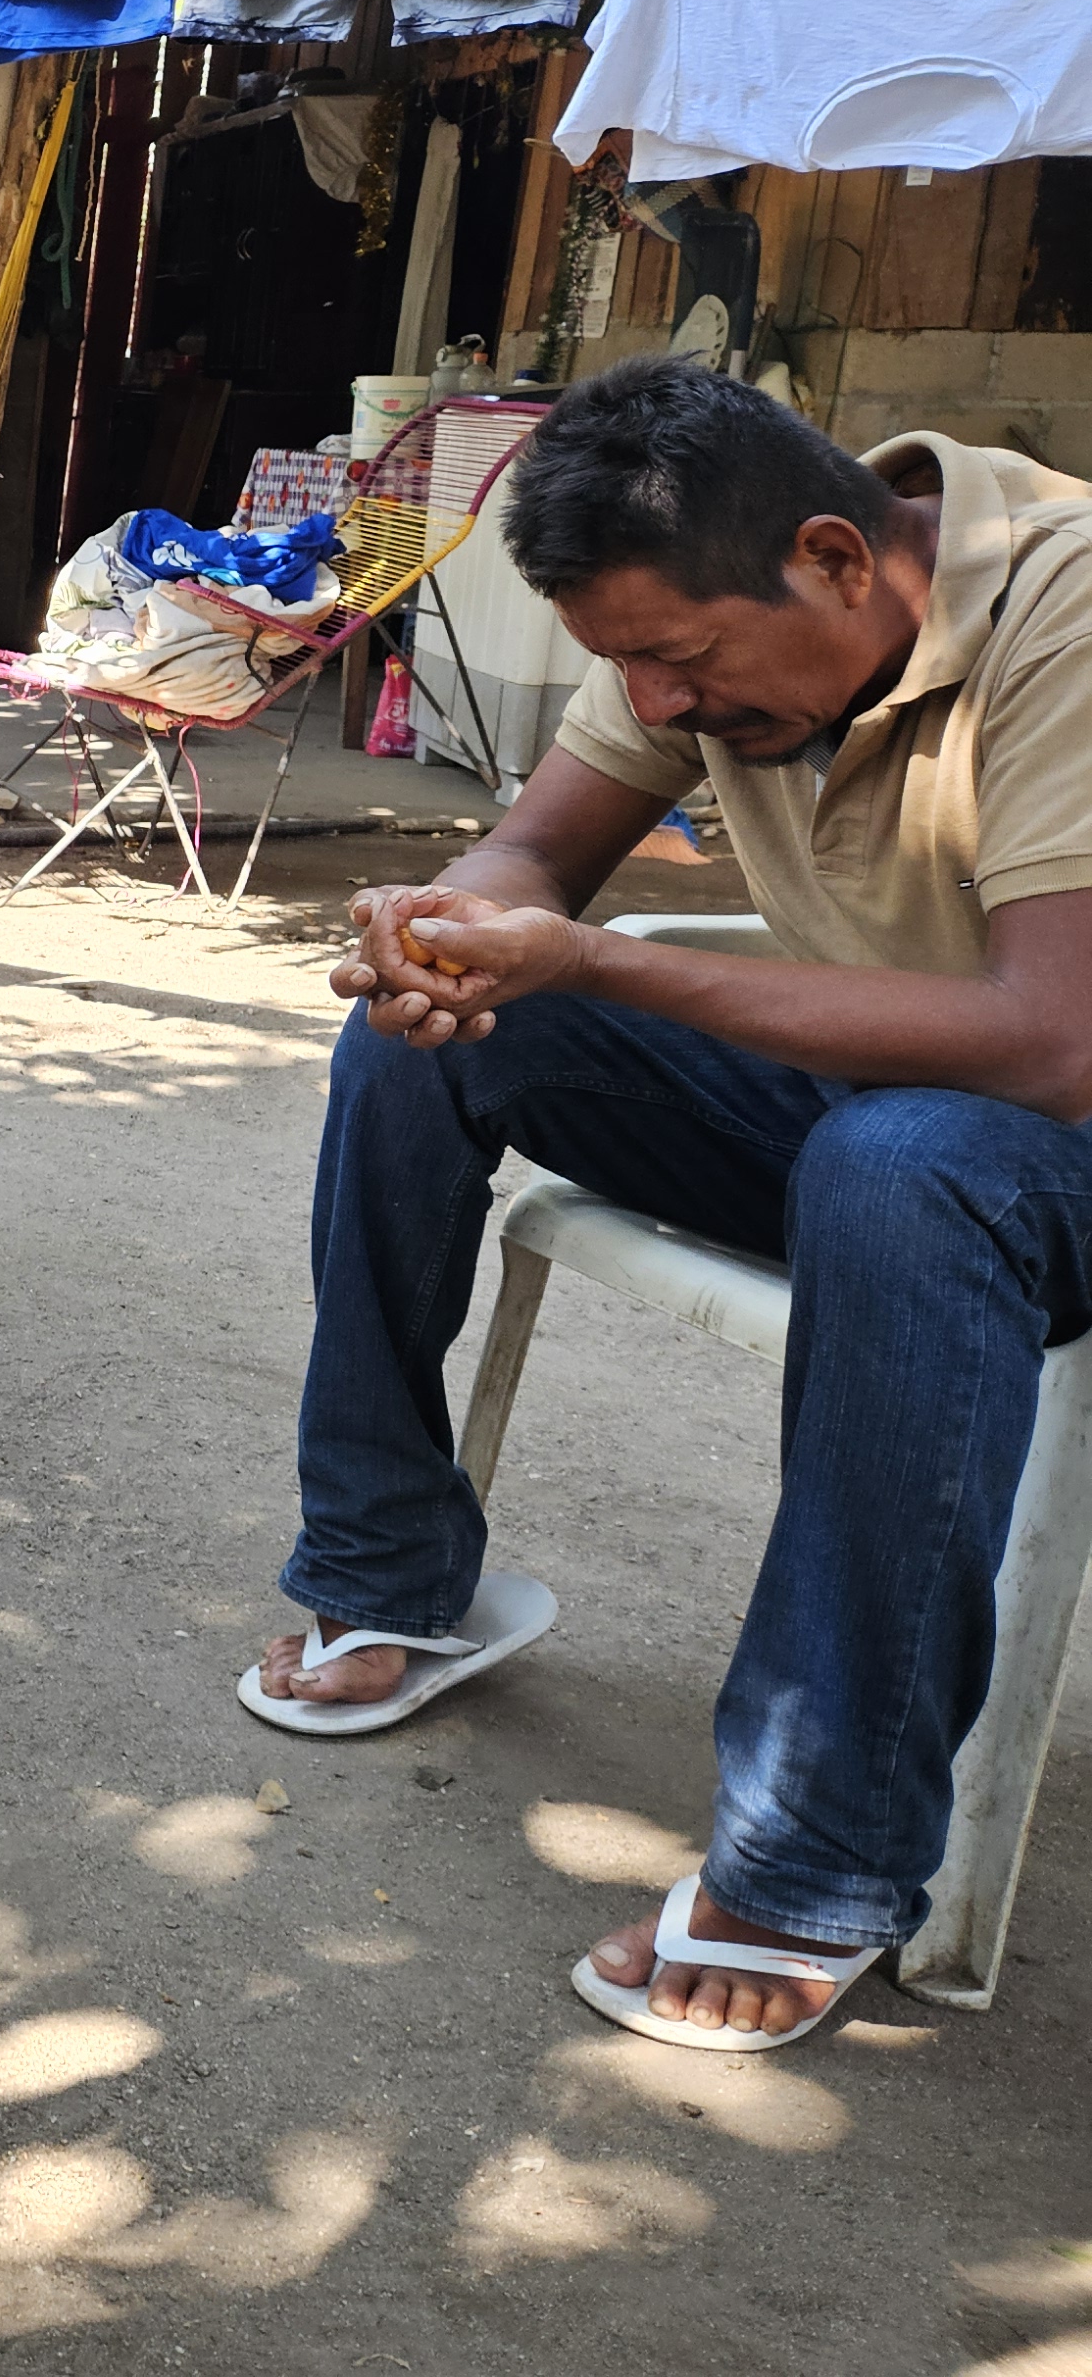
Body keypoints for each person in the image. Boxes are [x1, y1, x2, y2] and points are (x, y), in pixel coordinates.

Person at [252, 355, 1092, 2050]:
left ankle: (825, 1857)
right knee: (431, 1045)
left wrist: (599, 962)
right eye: (628, 667)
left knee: (903, 1163)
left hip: (1034, 1133)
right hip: (885, 1109)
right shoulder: (702, 597)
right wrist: (447, 925)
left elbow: (1046, 1042)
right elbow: (531, 862)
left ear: (838, 562)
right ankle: (392, 1572)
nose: (658, 703)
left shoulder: (1065, 605)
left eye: (680, 665)